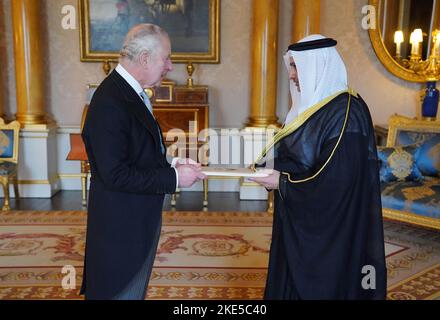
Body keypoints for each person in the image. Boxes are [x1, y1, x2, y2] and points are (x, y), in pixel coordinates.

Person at [250, 34, 387, 299]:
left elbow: (338, 179)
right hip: (300, 214)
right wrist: (269, 165)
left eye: (295, 67)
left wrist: (282, 182)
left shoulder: (347, 110)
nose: (291, 75)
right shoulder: (316, 108)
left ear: (317, 66)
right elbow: (303, 155)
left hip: (333, 227)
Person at [80, 23, 206, 300]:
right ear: (146, 58)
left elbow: (137, 152)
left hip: (134, 223)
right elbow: (115, 174)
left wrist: (171, 163)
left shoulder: (129, 92)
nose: (170, 66)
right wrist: (174, 179)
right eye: (167, 58)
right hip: (120, 230)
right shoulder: (110, 100)